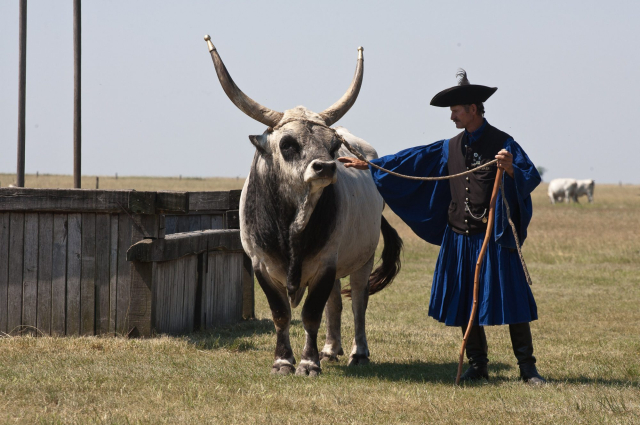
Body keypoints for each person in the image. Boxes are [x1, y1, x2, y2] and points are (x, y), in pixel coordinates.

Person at [338, 69, 545, 384]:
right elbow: (413, 160)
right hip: (459, 238)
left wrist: (510, 168)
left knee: (512, 300)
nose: (451, 116)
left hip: (494, 238)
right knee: (465, 302)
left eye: (456, 110)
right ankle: (478, 366)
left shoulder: (503, 143)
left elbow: (530, 176)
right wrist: (373, 165)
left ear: (472, 109)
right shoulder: (449, 147)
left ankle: (528, 370)